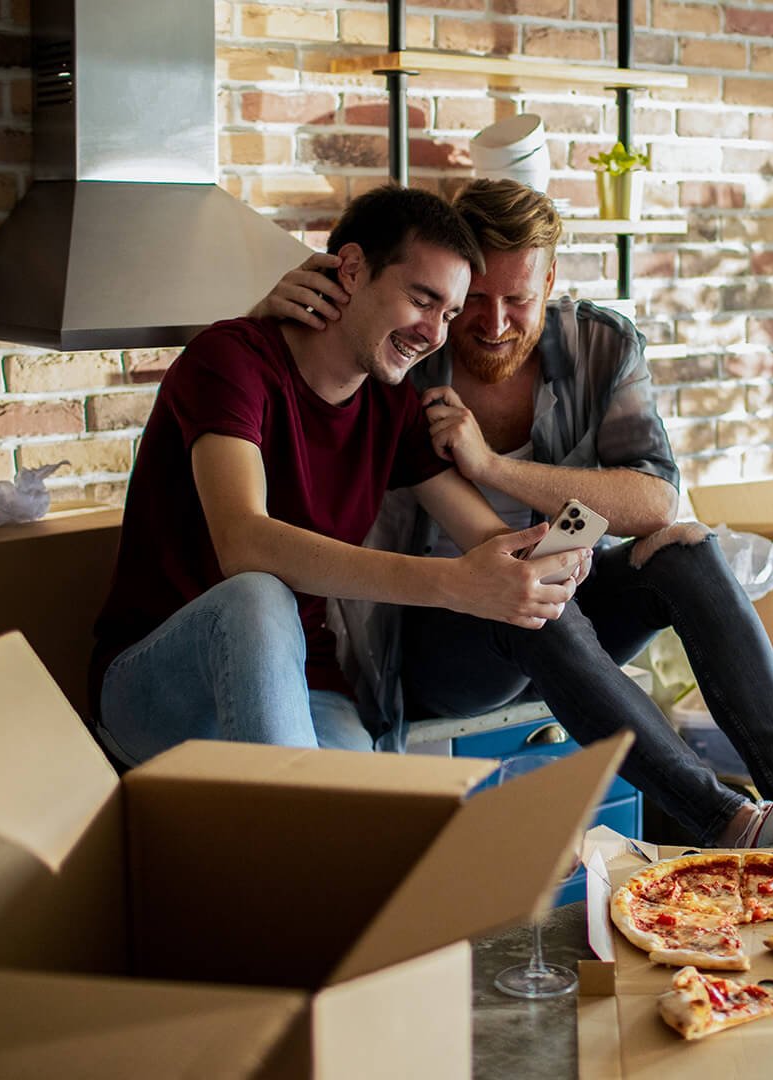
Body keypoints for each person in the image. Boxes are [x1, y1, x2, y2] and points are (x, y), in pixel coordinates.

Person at [253, 179, 773, 846]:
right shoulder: (413, 346)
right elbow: (312, 363)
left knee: (683, 546)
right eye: (474, 301)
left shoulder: (599, 346)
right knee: (522, 594)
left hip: (552, 590)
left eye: (516, 300)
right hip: (437, 643)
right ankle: (723, 817)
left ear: (548, 286)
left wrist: (491, 466)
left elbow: (654, 500)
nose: (490, 325)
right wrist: (265, 310)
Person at [89, 184, 592, 768]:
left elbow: (482, 537)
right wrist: (452, 583)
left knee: (369, 827)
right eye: (422, 299)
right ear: (351, 270)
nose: (434, 334)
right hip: (156, 692)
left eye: (449, 313)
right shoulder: (230, 361)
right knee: (257, 594)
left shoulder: (392, 405)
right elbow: (243, 542)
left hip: (308, 684)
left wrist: (536, 561)